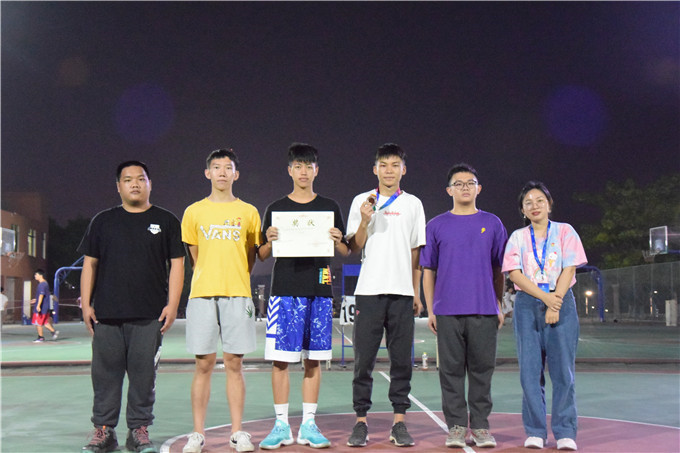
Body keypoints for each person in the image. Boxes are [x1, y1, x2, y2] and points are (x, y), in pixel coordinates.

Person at [78, 161, 185, 453]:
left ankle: (138, 430)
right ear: (118, 186)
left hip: (150, 315)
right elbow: (90, 264)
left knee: (144, 377)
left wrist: (173, 305)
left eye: (140, 178)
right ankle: (104, 431)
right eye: (128, 180)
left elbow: (177, 265)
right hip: (107, 315)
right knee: (105, 377)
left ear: (150, 183)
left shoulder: (166, 220)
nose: (135, 184)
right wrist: (86, 304)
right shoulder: (102, 221)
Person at [256, 143, 350, 450]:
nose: (304, 172)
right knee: (281, 361)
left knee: (314, 360)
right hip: (284, 290)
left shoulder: (330, 207)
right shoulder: (275, 208)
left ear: (316, 170)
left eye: (309, 166)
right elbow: (262, 254)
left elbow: (345, 250)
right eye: (298, 166)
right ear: (289, 170)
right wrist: (268, 240)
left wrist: (338, 239)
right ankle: (281, 425)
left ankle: (309, 424)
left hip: (319, 290)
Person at [420, 163, 507, 448]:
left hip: (484, 309)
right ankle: (456, 426)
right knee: (451, 372)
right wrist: (431, 309)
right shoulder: (436, 225)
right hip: (447, 311)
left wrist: (498, 304)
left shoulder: (493, 223)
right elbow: (428, 270)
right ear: (449, 190)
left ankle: (480, 426)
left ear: (479, 188)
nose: (465, 187)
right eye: (458, 183)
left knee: (482, 371)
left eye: (470, 183)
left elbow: (499, 269)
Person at [345, 143, 426, 448]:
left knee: (401, 361)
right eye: (383, 164)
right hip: (369, 291)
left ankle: (399, 422)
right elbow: (354, 246)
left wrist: (416, 292)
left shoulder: (413, 204)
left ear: (403, 169)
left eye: (395, 165)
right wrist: (365, 220)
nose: (389, 170)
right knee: (363, 361)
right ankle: (360, 421)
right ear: (374, 169)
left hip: (402, 293)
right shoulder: (361, 201)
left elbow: (416, 252)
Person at [181, 148, 262, 453]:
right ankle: (197, 434)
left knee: (234, 363)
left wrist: (235, 276)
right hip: (202, 294)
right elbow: (195, 256)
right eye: (217, 167)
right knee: (203, 364)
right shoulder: (193, 212)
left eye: (228, 168)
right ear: (208, 173)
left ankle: (237, 432)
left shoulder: (249, 212)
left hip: (237, 293)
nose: (222, 172)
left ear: (236, 174)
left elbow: (250, 256)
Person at [501, 181, 587, 451]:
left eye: (540, 200)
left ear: (549, 204)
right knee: (530, 372)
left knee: (563, 372)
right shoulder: (517, 237)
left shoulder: (565, 231)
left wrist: (554, 302)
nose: (534, 206)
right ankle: (535, 431)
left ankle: (565, 432)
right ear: (523, 210)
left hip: (561, 300)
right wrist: (545, 298)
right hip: (527, 304)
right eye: (528, 202)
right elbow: (514, 274)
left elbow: (569, 268)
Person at [31, 269, 59, 342]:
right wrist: (36, 300)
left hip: (42, 307)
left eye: (36, 275)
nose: (35, 276)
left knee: (38, 322)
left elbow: (41, 295)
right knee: (45, 322)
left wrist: (38, 305)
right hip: (45, 307)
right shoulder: (45, 283)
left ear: (40, 275)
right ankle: (53, 332)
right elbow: (43, 296)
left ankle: (41, 337)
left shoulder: (42, 284)